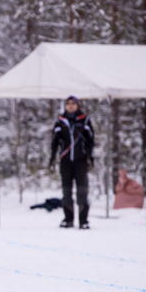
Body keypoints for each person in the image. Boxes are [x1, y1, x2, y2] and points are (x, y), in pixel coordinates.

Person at [49, 95, 94, 229]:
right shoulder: (60, 121)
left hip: (80, 161)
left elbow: (90, 142)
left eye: (73, 103)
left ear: (77, 105)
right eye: (68, 103)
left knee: (82, 191)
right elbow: (55, 142)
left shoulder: (84, 120)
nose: (70, 106)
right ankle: (68, 219)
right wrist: (52, 159)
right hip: (65, 161)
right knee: (66, 191)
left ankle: (83, 220)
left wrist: (90, 159)